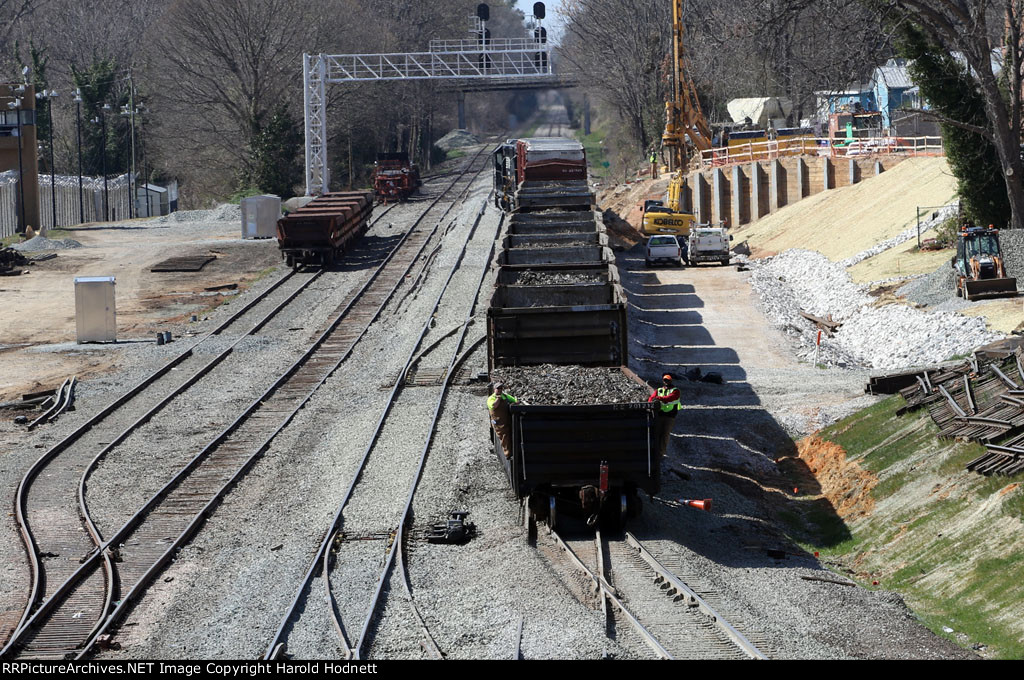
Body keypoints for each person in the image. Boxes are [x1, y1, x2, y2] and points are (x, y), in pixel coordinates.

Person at [648, 373, 681, 460]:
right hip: (660, 415)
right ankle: (656, 451)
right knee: (657, 433)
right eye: (665, 380)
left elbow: (670, 398)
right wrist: (652, 401)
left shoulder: (676, 391)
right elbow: (651, 398)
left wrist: (659, 398)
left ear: (671, 380)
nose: (666, 382)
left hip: (670, 417)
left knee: (665, 435)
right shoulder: (659, 390)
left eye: (668, 380)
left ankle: (661, 453)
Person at [488, 382, 519, 459]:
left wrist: (515, 402)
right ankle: (508, 454)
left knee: (510, 434)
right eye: (498, 388)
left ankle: (512, 452)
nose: (500, 390)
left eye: (501, 388)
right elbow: (494, 406)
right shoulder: (491, 398)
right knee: (504, 435)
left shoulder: (505, 396)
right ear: (494, 389)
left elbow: (515, 401)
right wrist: (498, 398)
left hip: (506, 419)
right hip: (498, 422)